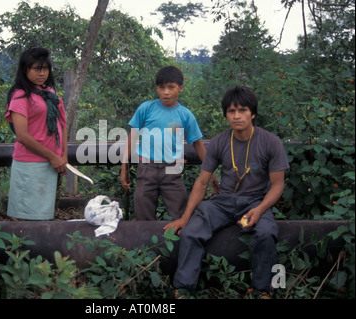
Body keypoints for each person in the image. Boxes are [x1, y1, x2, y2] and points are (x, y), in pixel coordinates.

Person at [164, 85, 289, 299]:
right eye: (231, 111)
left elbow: (277, 185)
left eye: (242, 110)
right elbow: (202, 183)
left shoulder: (270, 142)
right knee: (191, 231)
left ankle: (264, 290)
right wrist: (185, 218)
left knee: (266, 233)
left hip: (255, 202)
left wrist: (259, 210)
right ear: (226, 115)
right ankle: (183, 289)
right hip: (223, 202)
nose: (237, 116)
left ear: (253, 113)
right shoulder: (220, 142)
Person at [120, 65, 219, 221]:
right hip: (146, 169)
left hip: (173, 171)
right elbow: (132, 137)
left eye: (171, 87)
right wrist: (124, 166)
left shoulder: (185, 115)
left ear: (180, 88)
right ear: (157, 88)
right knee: (142, 214)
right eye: (162, 87)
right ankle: (146, 244)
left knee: (181, 215)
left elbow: (198, 145)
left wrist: (211, 173)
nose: (166, 92)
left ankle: (181, 243)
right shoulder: (146, 109)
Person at [5, 46, 68, 220]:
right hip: (30, 164)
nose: (42, 73)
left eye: (45, 69)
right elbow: (22, 136)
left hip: (51, 163)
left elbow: (62, 124)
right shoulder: (20, 96)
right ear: (25, 70)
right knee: (27, 219)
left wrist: (63, 156)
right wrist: (53, 157)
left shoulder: (50, 94)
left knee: (44, 216)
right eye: (36, 69)